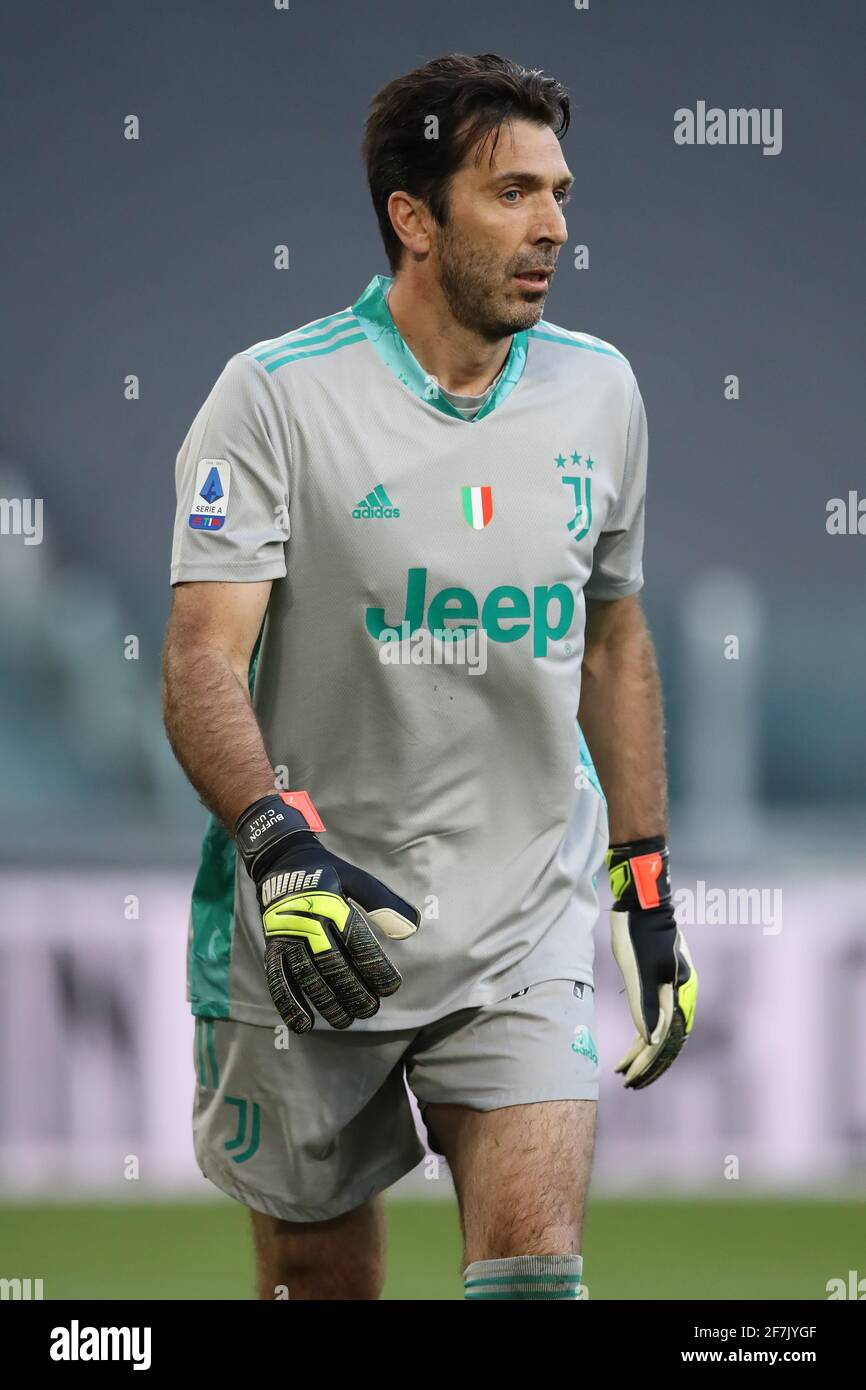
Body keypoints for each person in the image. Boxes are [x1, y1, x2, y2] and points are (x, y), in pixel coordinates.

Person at [161, 51, 697, 1302]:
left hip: (523, 919)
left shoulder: (600, 389)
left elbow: (610, 638)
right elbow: (198, 659)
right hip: (310, 921)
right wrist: (277, 846)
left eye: (559, 193)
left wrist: (645, 875)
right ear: (412, 217)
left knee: (533, 1271)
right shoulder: (274, 397)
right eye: (512, 192)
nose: (554, 227)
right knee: (318, 1288)